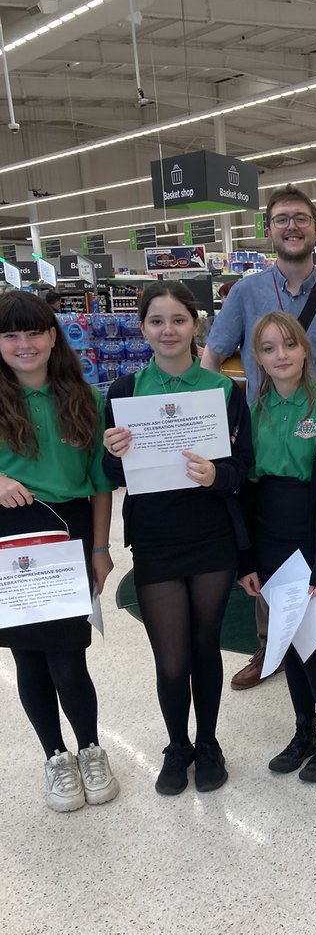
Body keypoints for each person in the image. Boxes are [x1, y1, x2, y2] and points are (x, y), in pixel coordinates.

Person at [201, 185, 316, 689]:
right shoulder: (246, 293)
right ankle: (270, 645)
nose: (292, 227)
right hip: (265, 438)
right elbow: (212, 359)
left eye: (301, 218)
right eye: (282, 219)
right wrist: (211, 424)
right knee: (268, 542)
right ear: (268, 232)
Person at [103, 281, 252, 796]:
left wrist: (217, 476)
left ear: (196, 325)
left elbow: (242, 468)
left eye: (179, 320)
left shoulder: (223, 391)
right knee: (171, 656)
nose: (168, 331)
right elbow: (111, 473)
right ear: (142, 328)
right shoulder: (123, 392)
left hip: (209, 534)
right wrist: (113, 450)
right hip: (155, 537)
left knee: (205, 645)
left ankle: (208, 742)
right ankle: (176, 744)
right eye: (156, 322)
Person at [0, 290, 119, 811]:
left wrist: (99, 548)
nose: (23, 344)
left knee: (70, 656)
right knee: (29, 657)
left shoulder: (86, 398)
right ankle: (55, 756)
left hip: (67, 531)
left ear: (53, 336)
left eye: (33, 332)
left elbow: (98, 484)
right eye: (10, 335)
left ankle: (90, 747)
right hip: (10, 536)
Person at [237, 312, 316, 782]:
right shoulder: (253, 409)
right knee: (285, 642)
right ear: (258, 359)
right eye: (268, 349)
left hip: (311, 536)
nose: (279, 355)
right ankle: (305, 729)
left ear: (304, 350)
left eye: (288, 345)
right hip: (269, 537)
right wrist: (246, 558)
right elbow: (245, 488)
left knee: (313, 645)